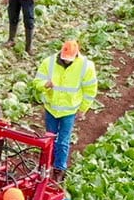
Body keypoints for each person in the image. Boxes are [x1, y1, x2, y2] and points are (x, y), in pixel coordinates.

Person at [32, 39, 97, 184]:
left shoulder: (86, 67)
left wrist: (83, 109)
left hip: (69, 111)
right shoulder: (48, 63)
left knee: (63, 141)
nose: (66, 62)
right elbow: (36, 83)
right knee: (50, 139)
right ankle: (47, 166)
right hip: (51, 108)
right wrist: (44, 85)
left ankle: (59, 169)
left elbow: (90, 90)